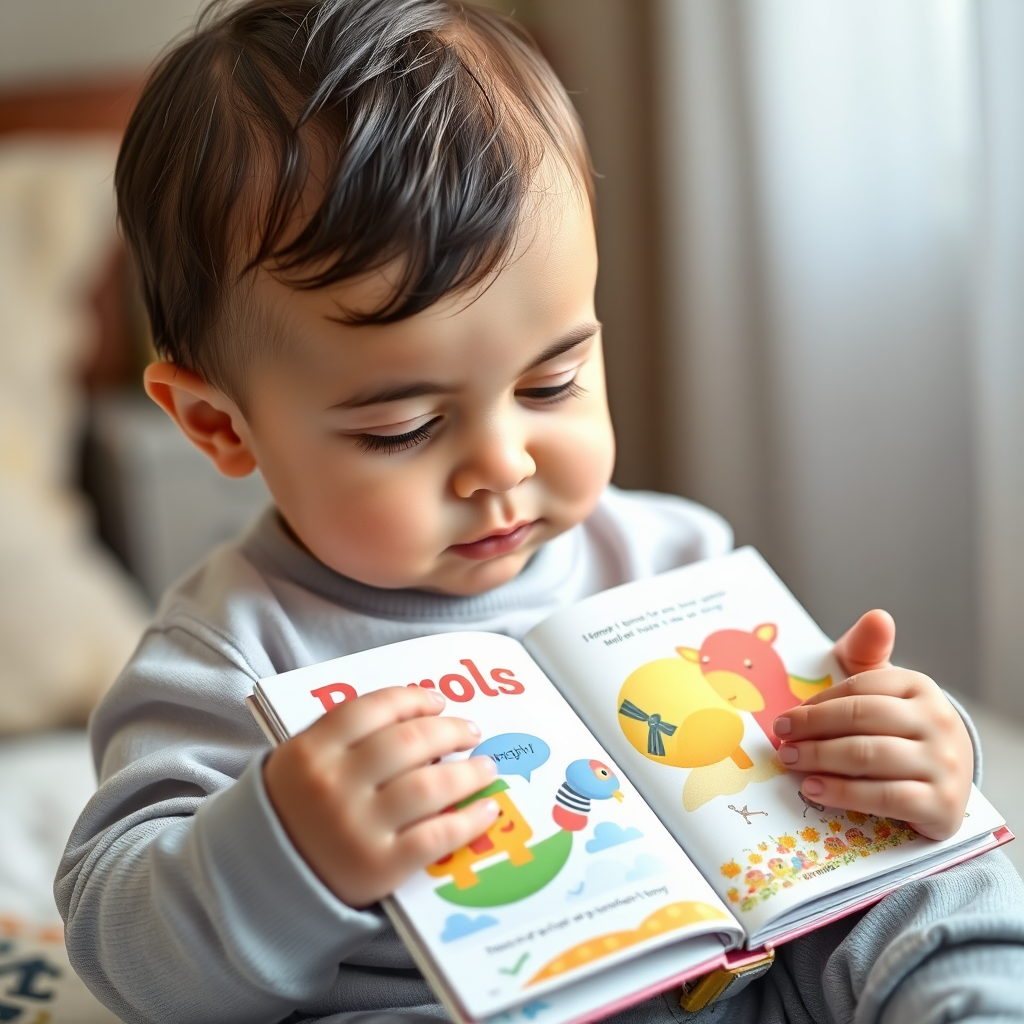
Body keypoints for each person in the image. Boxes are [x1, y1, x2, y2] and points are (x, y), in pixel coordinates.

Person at [56, 1, 1024, 1022]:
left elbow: (818, 814)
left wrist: (903, 751)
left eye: (553, 381)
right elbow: (124, 951)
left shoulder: (678, 555)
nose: (501, 463)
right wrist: (281, 847)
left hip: (752, 983)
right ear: (219, 426)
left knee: (930, 856)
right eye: (402, 428)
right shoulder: (230, 656)